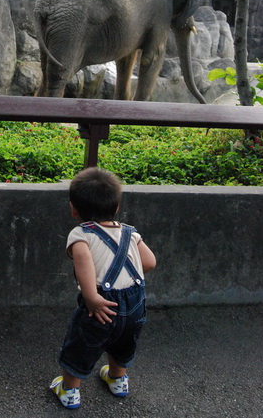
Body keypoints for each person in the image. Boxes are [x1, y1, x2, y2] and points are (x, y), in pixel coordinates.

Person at [50, 167, 157, 410]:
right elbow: (150, 262)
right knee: (124, 341)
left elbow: (85, 266)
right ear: (116, 207)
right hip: (135, 303)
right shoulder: (130, 233)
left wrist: (92, 298)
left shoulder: (81, 236)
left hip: (101, 303)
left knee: (82, 345)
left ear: (73, 209)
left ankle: (69, 390)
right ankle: (118, 379)